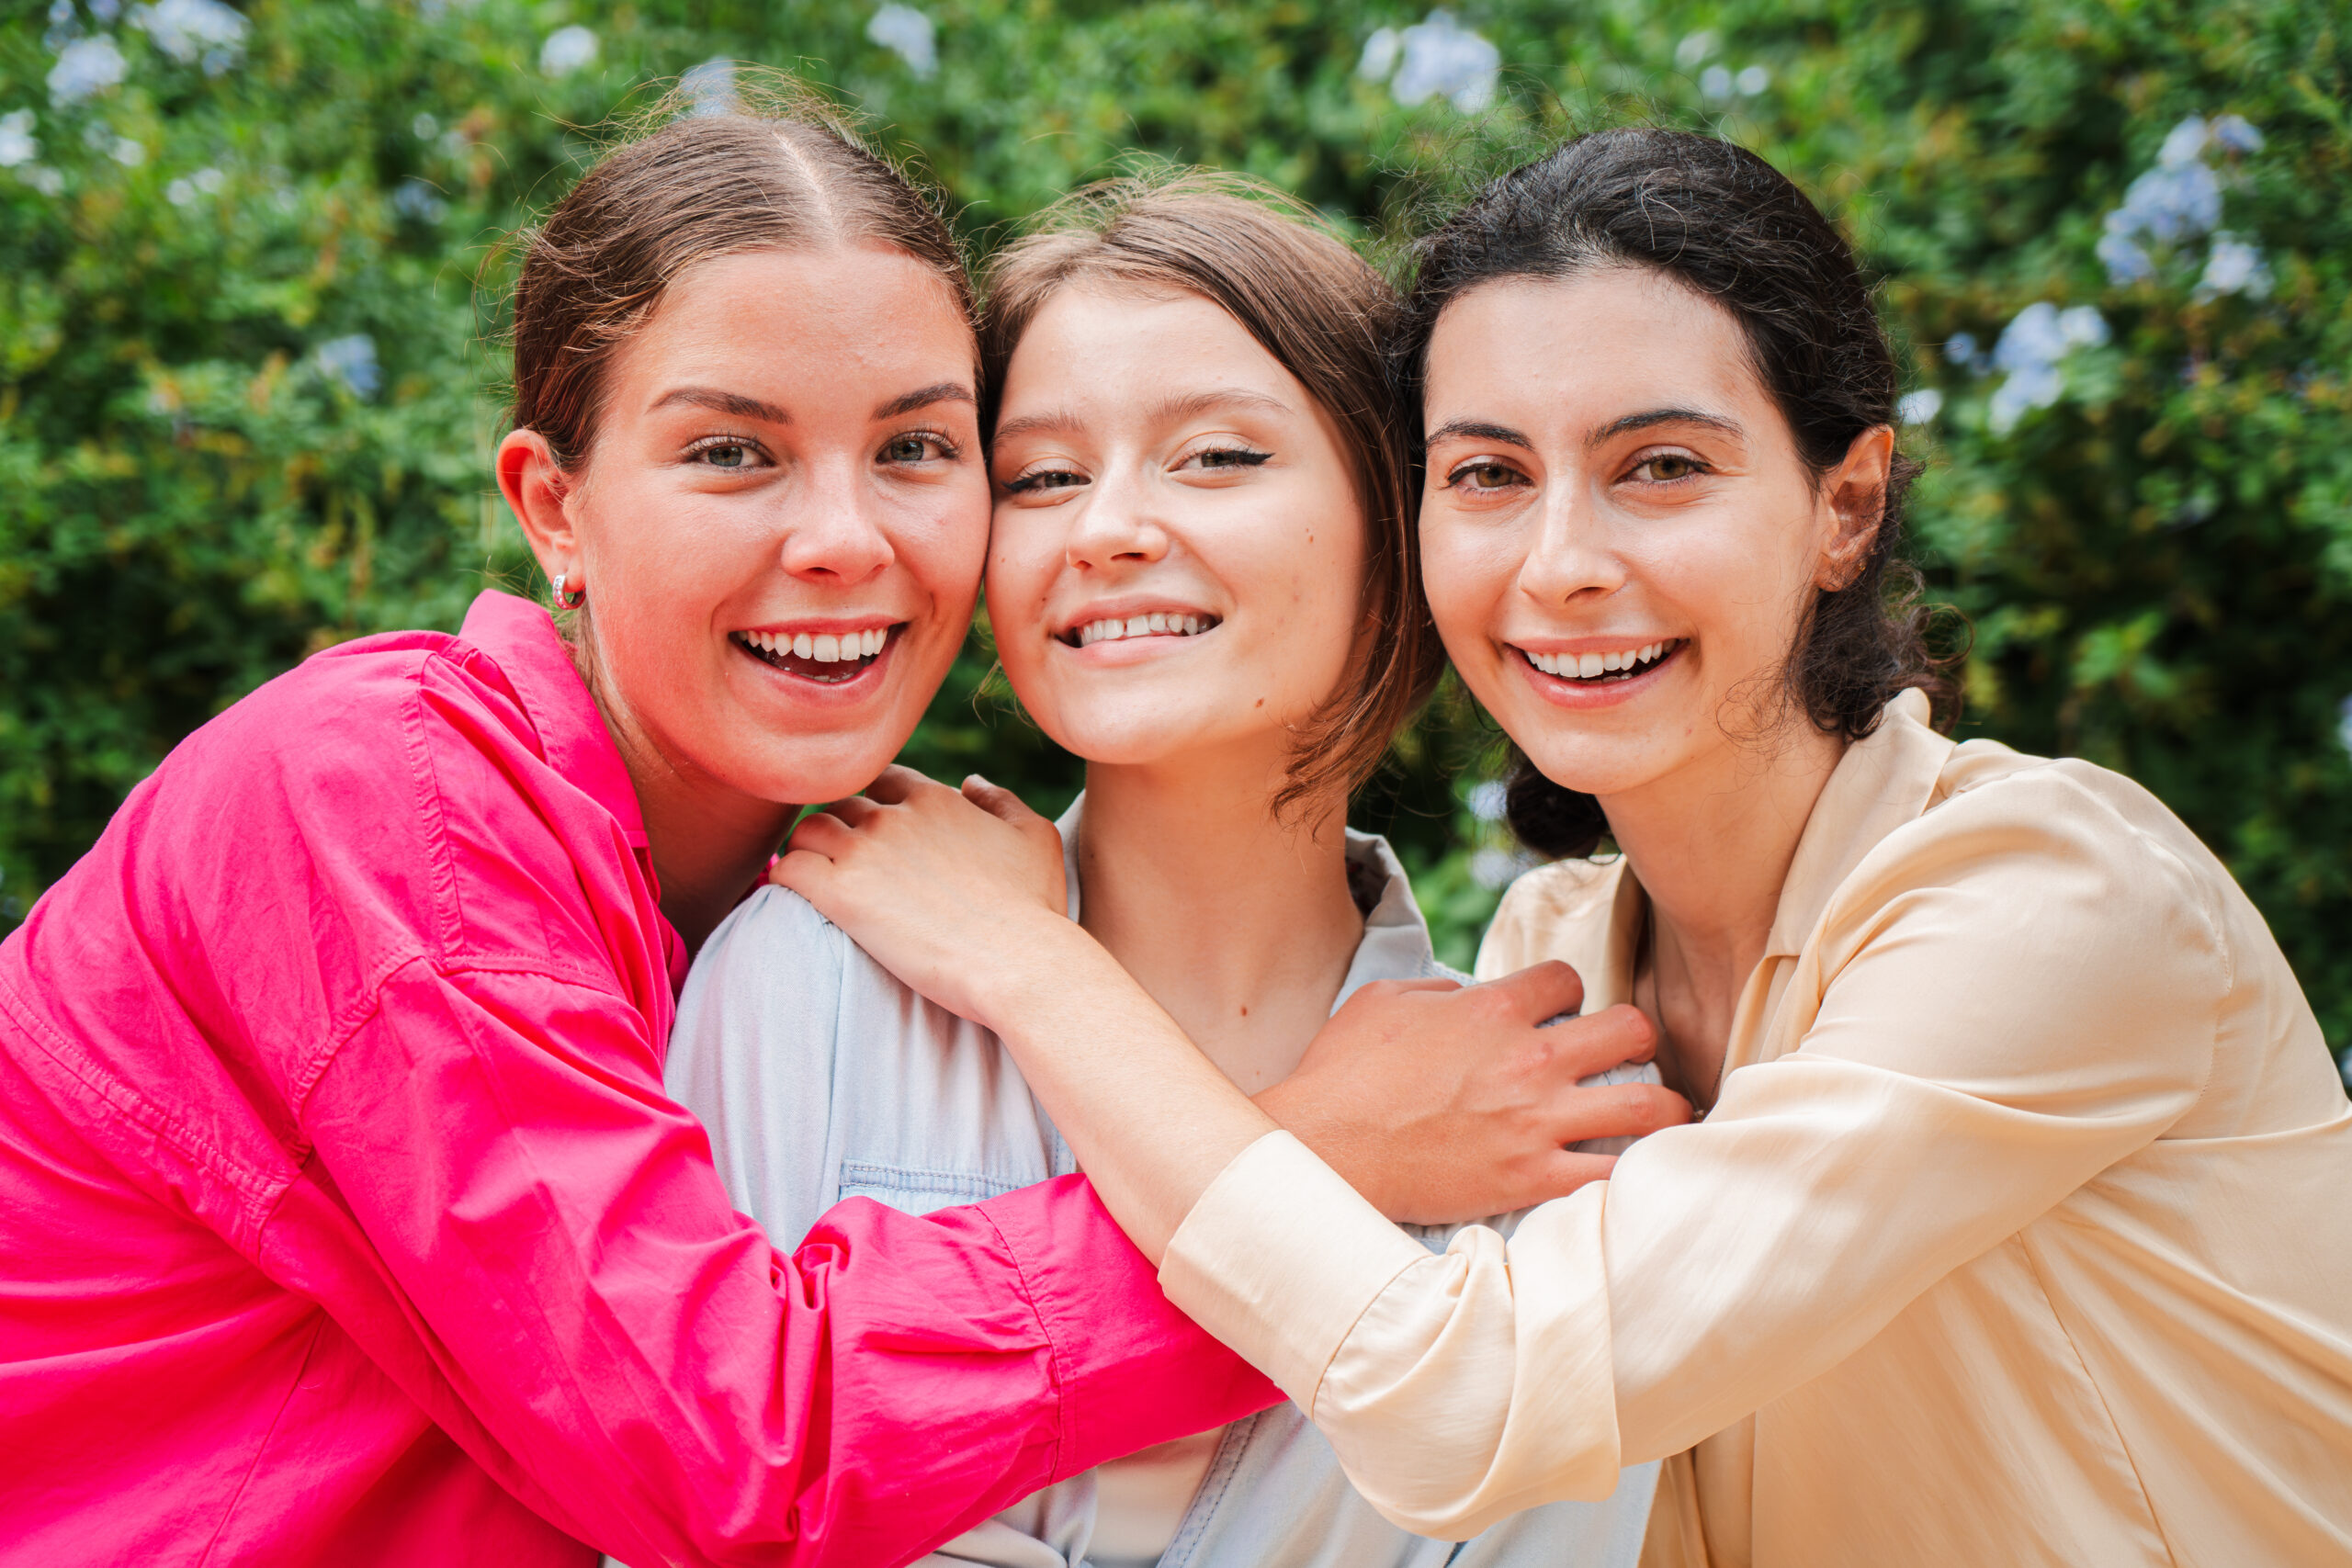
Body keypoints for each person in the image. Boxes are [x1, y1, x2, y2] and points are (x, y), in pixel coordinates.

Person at [0, 96, 1664, 1567]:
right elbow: (724, 1452)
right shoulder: (385, 806)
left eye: (922, 451)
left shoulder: (788, 891)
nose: (844, 541)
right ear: (553, 508)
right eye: (733, 453)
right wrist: (1309, 1166)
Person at [769, 130, 2352, 1567]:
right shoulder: (1545, 975)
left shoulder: (2047, 900)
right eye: (1488, 477)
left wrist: (1034, 971)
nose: (1564, 563)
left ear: (1845, 506)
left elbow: (1470, 1398)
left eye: (1661, 467)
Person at [661, 177, 1677, 1568]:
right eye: (1043, 477)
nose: (1108, 529)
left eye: (1215, 458)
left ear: (1401, 516)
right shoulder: (816, 972)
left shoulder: (1548, 1128)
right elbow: (685, 1506)